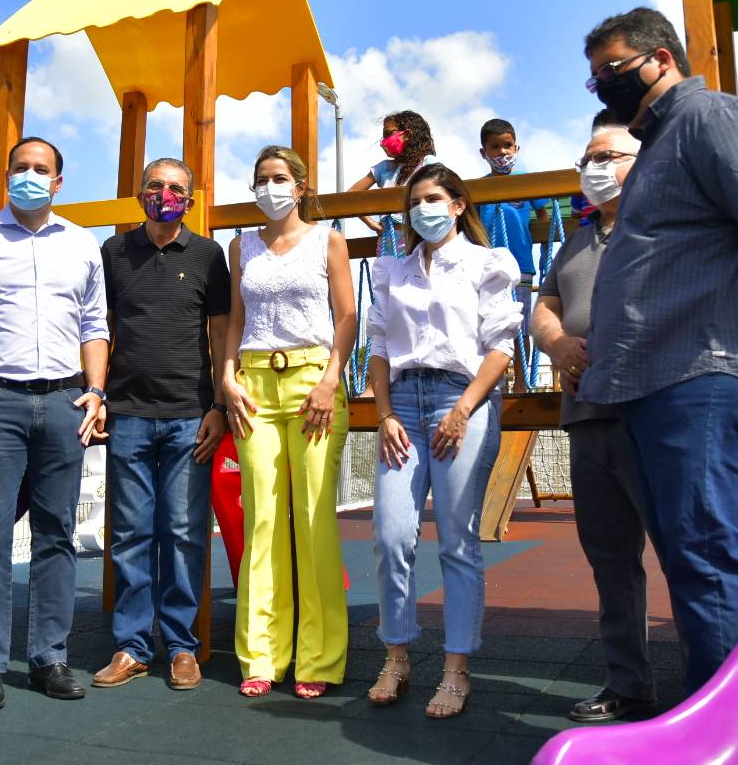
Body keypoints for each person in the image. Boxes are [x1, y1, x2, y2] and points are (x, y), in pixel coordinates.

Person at [578, 7, 738, 693]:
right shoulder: (657, 148)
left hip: (704, 371)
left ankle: (736, 731)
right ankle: (717, 712)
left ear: (659, 58)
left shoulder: (711, 118)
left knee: (707, 557)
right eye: (593, 79)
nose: (602, 86)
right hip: (657, 380)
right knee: (689, 559)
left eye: (613, 70)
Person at [0, 136, 109, 711]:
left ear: (59, 182)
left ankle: (49, 658)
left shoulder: (82, 243)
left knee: (56, 534)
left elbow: (95, 322)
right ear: (6, 174)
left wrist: (95, 392)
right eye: (21, 168)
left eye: (42, 170)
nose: (31, 177)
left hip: (66, 402)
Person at [364, 164, 522, 719]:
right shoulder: (393, 270)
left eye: (433, 198)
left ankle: (456, 668)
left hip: (464, 396)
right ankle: (398, 655)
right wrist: (384, 414)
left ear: (457, 205)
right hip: (403, 403)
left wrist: (463, 408)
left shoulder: (487, 263)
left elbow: (501, 344)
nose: (422, 209)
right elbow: (379, 347)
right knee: (391, 534)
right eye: (415, 202)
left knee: (458, 539)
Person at [220, 145, 357, 699]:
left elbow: (347, 315)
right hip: (253, 383)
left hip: (312, 379)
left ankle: (318, 659)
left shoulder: (330, 241)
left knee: (314, 520)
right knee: (262, 522)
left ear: (300, 186)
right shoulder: (241, 246)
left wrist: (330, 379)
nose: (269, 187)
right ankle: (261, 655)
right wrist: (227, 376)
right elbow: (236, 317)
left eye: (279, 178)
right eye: (261, 179)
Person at [531, 113, 655, 722]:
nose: (593, 169)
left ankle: (719, 683)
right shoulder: (575, 239)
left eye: (607, 156)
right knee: (609, 557)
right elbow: (545, 306)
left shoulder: (664, 226)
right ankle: (629, 683)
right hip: (587, 415)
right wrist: (555, 343)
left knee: (688, 552)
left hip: (654, 412)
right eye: (588, 160)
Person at [91, 157, 230, 692]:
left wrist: (218, 404)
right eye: (155, 186)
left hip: (190, 417)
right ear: (139, 192)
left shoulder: (207, 255)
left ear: (190, 200)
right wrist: (98, 392)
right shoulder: (113, 252)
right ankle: (131, 646)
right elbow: (97, 325)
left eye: (175, 188)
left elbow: (220, 334)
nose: (164, 194)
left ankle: (180, 645)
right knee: (128, 535)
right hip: (126, 413)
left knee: (183, 533)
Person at [476, 117, 550, 376]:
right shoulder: (479, 188)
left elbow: (543, 215)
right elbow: (471, 223)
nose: (503, 152)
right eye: (495, 147)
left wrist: (545, 236)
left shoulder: (525, 182)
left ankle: (520, 380)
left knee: (520, 326)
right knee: (487, 324)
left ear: (516, 148)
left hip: (521, 266)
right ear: (484, 153)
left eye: (508, 145)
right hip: (487, 267)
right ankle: (491, 381)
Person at [346, 110, 440, 251]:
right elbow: (351, 194)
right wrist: (371, 223)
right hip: (388, 242)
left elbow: (443, 194)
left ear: (407, 135)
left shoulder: (428, 163)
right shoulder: (383, 168)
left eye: (388, 134)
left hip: (420, 239)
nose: (383, 142)